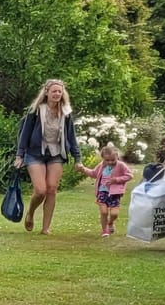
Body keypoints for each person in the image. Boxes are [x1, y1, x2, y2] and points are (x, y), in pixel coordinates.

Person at [14, 79, 77, 235]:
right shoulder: (35, 110)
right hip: (35, 153)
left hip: (56, 154)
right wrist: (19, 155)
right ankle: (30, 213)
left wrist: (78, 158)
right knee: (40, 190)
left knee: (52, 189)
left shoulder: (66, 112)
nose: (57, 94)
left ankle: (45, 228)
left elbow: (71, 136)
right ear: (47, 92)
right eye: (54, 91)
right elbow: (24, 133)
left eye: (60, 91)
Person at [76, 143, 133, 238]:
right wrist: (83, 169)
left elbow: (129, 175)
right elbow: (93, 173)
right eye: (107, 160)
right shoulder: (101, 165)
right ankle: (104, 230)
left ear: (117, 157)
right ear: (103, 158)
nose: (110, 162)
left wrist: (116, 180)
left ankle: (110, 222)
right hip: (102, 191)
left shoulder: (121, 165)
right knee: (104, 212)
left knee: (114, 214)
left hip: (115, 193)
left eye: (113, 160)